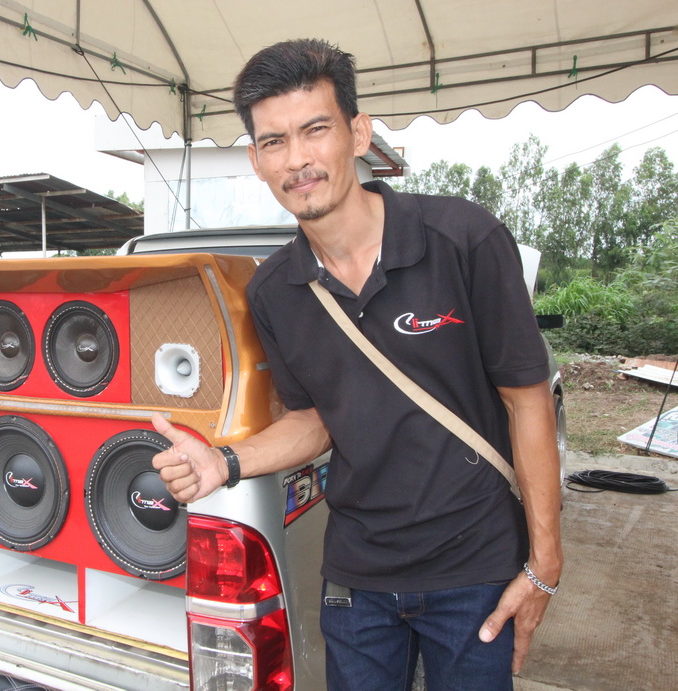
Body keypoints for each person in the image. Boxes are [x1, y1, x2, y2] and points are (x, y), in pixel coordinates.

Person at [151, 38, 562, 690]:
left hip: (474, 569)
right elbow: (314, 418)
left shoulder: (463, 238)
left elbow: (527, 400)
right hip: (356, 579)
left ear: (358, 133)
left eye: (315, 130)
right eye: (274, 141)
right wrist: (224, 462)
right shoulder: (274, 290)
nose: (297, 159)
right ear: (256, 160)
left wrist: (544, 563)